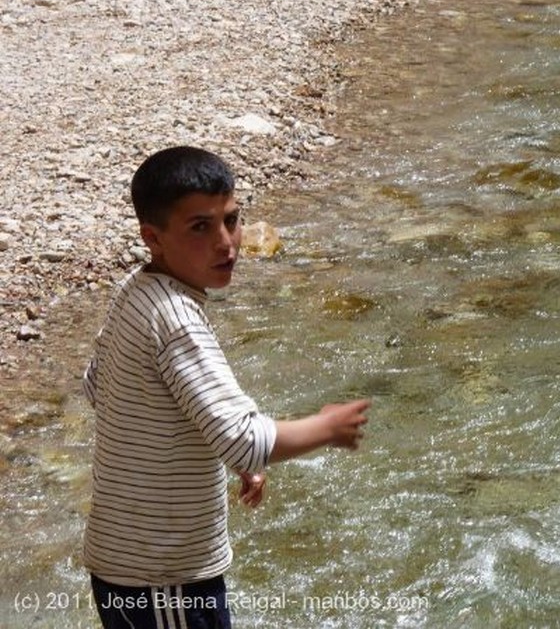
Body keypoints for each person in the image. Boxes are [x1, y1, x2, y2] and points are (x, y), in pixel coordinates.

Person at [83, 145, 371, 629]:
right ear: (152, 237)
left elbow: (99, 384)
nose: (226, 242)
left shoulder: (137, 290)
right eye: (201, 227)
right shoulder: (178, 320)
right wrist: (327, 427)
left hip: (125, 562)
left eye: (232, 220)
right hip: (166, 578)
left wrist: (225, 454)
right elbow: (245, 437)